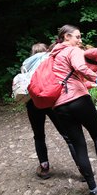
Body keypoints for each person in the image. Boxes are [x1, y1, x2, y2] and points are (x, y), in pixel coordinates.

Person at [51, 25, 97, 195]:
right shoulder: (71, 50)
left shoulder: (52, 56)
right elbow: (81, 68)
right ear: (67, 37)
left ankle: (93, 189)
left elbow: (70, 77)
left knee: (78, 144)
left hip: (59, 105)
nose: (80, 40)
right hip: (79, 101)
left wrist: (88, 83)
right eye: (77, 36)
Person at [21, 43, 76, 179]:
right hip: (52, 99)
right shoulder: (50, 58)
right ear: (46, 50)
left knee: (39, 135)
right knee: (67, 134)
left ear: (32, 52)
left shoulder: (26, 64)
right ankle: (82, 167)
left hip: (33, 102)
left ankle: (44, 167)